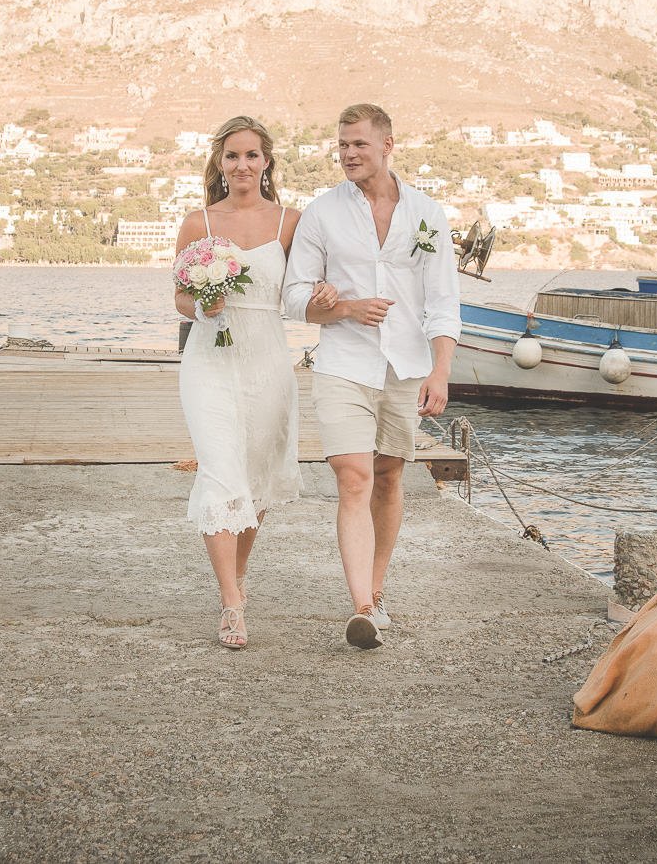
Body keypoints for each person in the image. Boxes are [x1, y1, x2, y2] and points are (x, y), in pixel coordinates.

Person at [282, 103, 462, 650]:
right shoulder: (321, 214)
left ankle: (377, 593)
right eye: (342, 145)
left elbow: (443, 303)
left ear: (388, 144)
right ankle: (361, 607)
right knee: (353, 476)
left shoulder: (428, 214)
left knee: (388, 477)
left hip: (406, 368)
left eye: (359, 144)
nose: (349, 154)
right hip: (343, 363)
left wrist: (441, 372)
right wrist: (341, 308)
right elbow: (293, 300)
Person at [175, 116, 336, 649]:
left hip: (268, 359)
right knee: (221, 473)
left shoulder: (292, 222)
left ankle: (238, 577)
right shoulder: (198, 223)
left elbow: (306, 289)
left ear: (267, 162)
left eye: (251, 155)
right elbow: (178, 295)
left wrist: (330, 298)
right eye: (231, 156)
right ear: (219, 164)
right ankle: (231, 603)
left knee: (257, 478)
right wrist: (202, 303)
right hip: (210, 363)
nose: (241, 165)